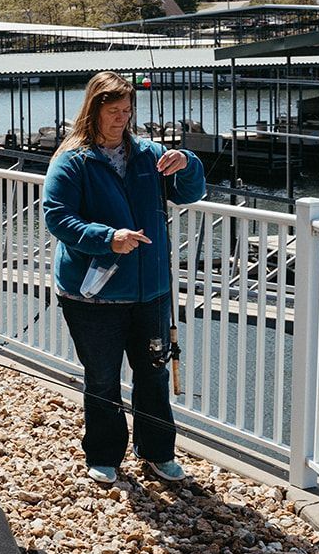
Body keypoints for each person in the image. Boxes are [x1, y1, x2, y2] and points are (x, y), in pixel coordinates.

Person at [41, 70, 205, 486]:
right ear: (94, 110)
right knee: (102, 377)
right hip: (91, 297)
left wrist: (186, 163)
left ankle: (157, 452)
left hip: (150, 292)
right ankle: (104, 453)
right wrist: (106, 238)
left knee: (153, 373)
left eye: (127, 111)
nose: (121, 119)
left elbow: (190, 191)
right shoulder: (71, 161)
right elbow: (57, 217)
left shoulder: (149, 155)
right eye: (113, 111)